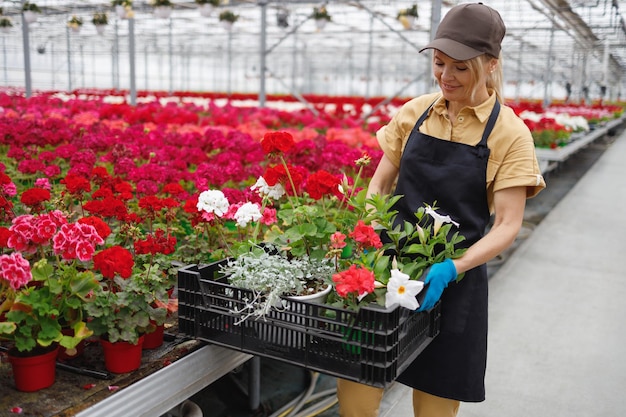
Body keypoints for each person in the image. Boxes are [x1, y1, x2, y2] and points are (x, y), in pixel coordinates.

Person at [336, 3, 546, 417]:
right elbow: (379, 184)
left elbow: (507, 224)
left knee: (435, 405)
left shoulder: (509, 133)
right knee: (357, 393)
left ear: (490, 65)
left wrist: (454, 266)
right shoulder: (415, 113)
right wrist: (366, 234)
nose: (446, 77)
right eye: (439, 63)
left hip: (452, 281)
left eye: (461, 68)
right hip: (385, 271)